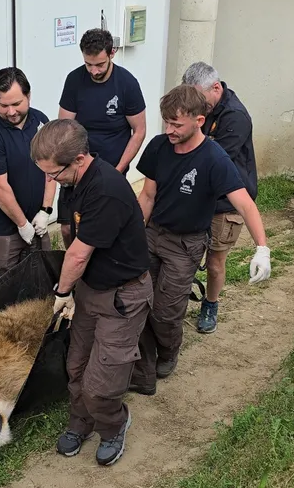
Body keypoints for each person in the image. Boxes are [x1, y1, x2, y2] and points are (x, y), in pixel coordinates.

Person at [130, 85, 271, 395]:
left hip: (186, 243)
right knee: (141, 299)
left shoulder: (214, 159)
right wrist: (134, 233)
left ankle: (169, 351)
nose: (169, 129)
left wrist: (262, 247)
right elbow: (148, 195)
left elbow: (245, 204)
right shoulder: (158, 147)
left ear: (199, 120)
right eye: (166, 122)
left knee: (167, 310)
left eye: (176, 124)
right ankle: (144, 356)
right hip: (153, 233)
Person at [32, 119, 151, 467]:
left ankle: (114, 423)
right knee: (76, 365)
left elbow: (79, 253)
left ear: (80, 159)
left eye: (54, 174)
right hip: (91, 289)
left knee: (102, 382)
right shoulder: (73, 182)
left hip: (122, 297)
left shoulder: (106, 190)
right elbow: (71, 232)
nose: (52, 182)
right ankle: (81, 421)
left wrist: (62, 292)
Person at [181, 62, 260, 334]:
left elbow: (211, 160)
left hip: (226, 202)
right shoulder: (205, 107)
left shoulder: (236, 117)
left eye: (200, 100)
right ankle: (176, 303)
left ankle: (210, 305)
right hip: (199, 194)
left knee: (215, 263)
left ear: (216, 88)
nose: (197, 107)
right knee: (184, 256)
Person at [56, 28, 147, 247]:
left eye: (100, 65)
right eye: (89, 65)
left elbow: (139, 131)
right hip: (77, 168)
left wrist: (119, 170)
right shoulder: (74, 80)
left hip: (111, 168)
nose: (94, 71)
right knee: (68, 228)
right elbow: (64, 127)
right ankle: (74, 269)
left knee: (103, 228)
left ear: (112, 53)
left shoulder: (127, 83)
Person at [0, 67, 54, 284]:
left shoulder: (40, 121)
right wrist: (22, 224)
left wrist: (46, 209)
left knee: (42, 279)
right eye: (3, 105)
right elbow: (0, 188)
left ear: (28, 96)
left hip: (37, 221)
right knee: (4, 288)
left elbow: (52, 170)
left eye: (16, 104)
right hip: (2, 230)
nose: (11, 112)